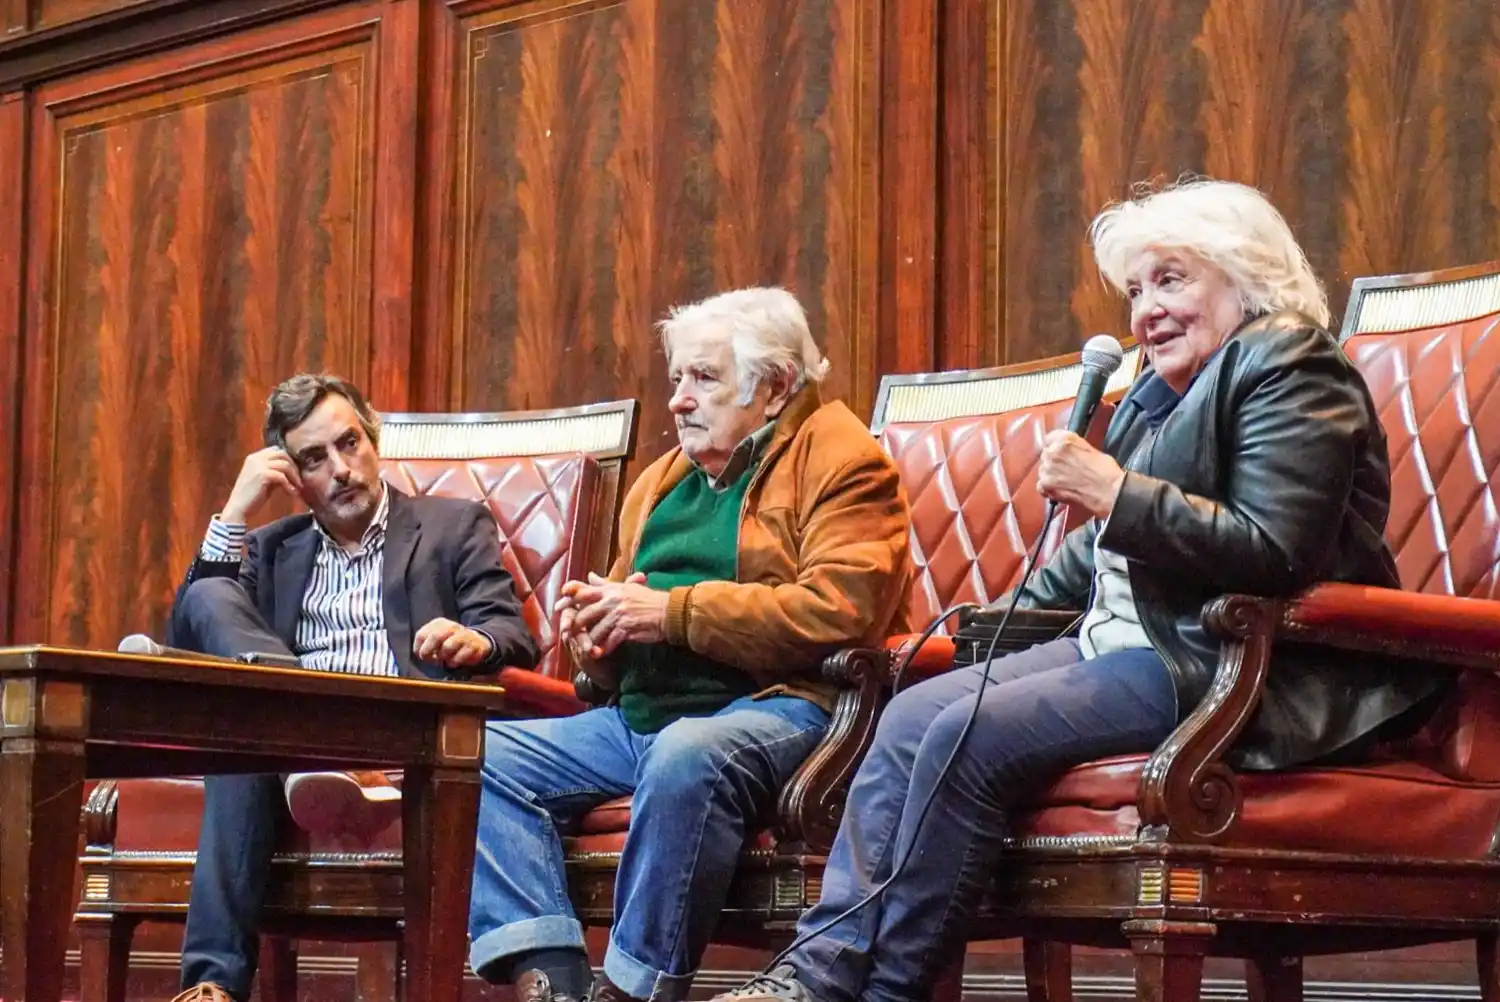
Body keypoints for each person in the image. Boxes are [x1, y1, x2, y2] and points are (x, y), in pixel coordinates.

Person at [713, 179, 1450, 1002]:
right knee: (916, 710)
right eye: (1136, 290)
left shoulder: (1290, 361)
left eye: (1172, 280)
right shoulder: (1154, 396)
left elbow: (1273, 548)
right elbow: (1091, 564)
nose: (1146, 311)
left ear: (1245, 276)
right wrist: (973, 634)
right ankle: (817, 971)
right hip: (1134, 645)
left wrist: (1112, 491)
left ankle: (882, 991)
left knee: (963, 733)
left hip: (1227, 664)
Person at [465, 287, 913, 1002]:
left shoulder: (844, 459)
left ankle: (636, 989)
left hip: (784, 707)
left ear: (773, 389)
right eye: (678, 378)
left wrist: (670, 614)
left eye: (703, 379)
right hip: (638, 718)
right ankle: (549, 973)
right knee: (477, 756)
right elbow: (621, 623)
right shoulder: (661, 481)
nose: (677, 400)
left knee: (688, 754)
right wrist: (599, 633)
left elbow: (839, 612)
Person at [164, 374, 537, 1002]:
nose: (340, 468)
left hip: (404, 731)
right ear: (291, 476)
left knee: (248, 728)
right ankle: (212, 991)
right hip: (294, 743)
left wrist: (477, 641)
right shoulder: (270, 548)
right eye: (314, 458)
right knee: (210, 609)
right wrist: (232, 514)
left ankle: (289, 718)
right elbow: (192, 633)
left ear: (373, 439)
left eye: (349, 443)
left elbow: (511, 632)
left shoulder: (450, 526)